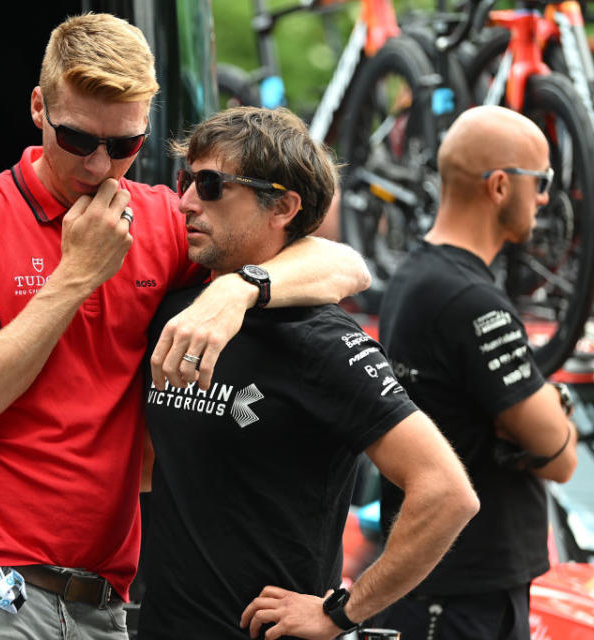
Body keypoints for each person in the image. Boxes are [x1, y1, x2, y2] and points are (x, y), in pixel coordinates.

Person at [0, 12, 370, 640]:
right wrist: (75, 275)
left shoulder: (161, 217)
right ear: (39, 109)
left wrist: (238, 289)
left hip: (104, 598)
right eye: (77, 140)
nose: (99, 165)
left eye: (124, 146)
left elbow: (343, 264)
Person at [138, 106, 479, 640]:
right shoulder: (177, 311)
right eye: (186, 180)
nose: (185, 201)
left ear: (283, 207)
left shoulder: (319, 340)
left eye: (210, 184)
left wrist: (341, 612)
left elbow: (447, 492)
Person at [371, 105, 579, 640]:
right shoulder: (470, 300)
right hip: (461, 599)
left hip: (450, 588)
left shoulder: (417, 277)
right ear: (501, 186)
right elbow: (559, 458)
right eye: (542, 181)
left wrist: (539, 413)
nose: (546, 197)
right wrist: (554, 410)